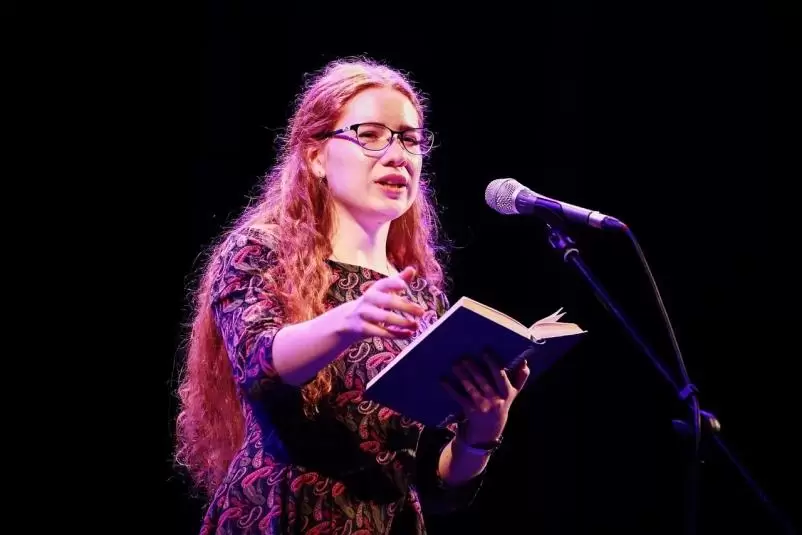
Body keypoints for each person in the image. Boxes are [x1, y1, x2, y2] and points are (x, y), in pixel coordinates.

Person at [175, 56, 531, 534]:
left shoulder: (420, 294)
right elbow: (259, 363)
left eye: (410, 139)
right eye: (370, 135)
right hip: (284, 515)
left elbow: (433, 482)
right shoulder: (261, 251)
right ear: (316, 156)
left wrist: (481, 434)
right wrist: (349, 320)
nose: (398, 155)